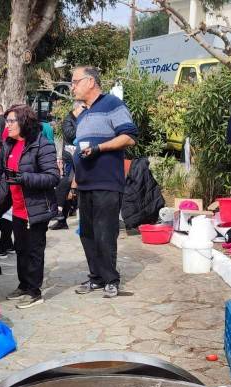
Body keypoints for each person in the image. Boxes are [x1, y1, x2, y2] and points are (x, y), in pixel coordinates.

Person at [70, 66, 138, 299]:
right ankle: (96, 278)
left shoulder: (112, 104)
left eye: (75, 82)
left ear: (90, 82)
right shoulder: (83, 112)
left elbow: (129, 136)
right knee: (87, 233)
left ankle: (111, 280)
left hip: (106, 181)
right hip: (85, 182)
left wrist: (99, 148)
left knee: (104, 233)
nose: (73, 87)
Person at [0, 104, 59, 309]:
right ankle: (23, 284)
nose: (7, 125)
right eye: (7, 121)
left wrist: (24, 178)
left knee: (34, 251)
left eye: (11, 121)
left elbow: (53, 176)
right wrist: (1, 181)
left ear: (24, 122)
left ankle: (34, 291)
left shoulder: (41, 144)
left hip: (35, 208)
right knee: (20, 249)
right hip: (15, 208)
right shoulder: (8, 144)